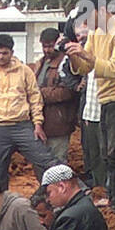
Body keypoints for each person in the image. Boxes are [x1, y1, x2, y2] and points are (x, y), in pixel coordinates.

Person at [64, 0, 115, 210]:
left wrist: (86, 55)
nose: (87, 23)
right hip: (105, 98)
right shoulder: (97, 33)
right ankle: (113, 196)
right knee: (107, 153)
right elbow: (86, 68)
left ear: (101, 10)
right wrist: (74, 56)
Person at [0, 33, 56, 188]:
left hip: (22, 126)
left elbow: (35, 98)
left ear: (12, 52)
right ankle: (0, 210)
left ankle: (75, 191)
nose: (1, 57)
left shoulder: (24, 71)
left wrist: (38, 124)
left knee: (47, 160)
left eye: (5, 53)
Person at [34, 28, 80, 163]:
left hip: (59, 123)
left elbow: (67, 91)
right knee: (42, 162)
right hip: (42, 122)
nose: (47, 50)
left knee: (58, 162)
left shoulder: (66, 63)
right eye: (44, 46)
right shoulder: (41, 63)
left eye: (50, 46)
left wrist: (39, 93)